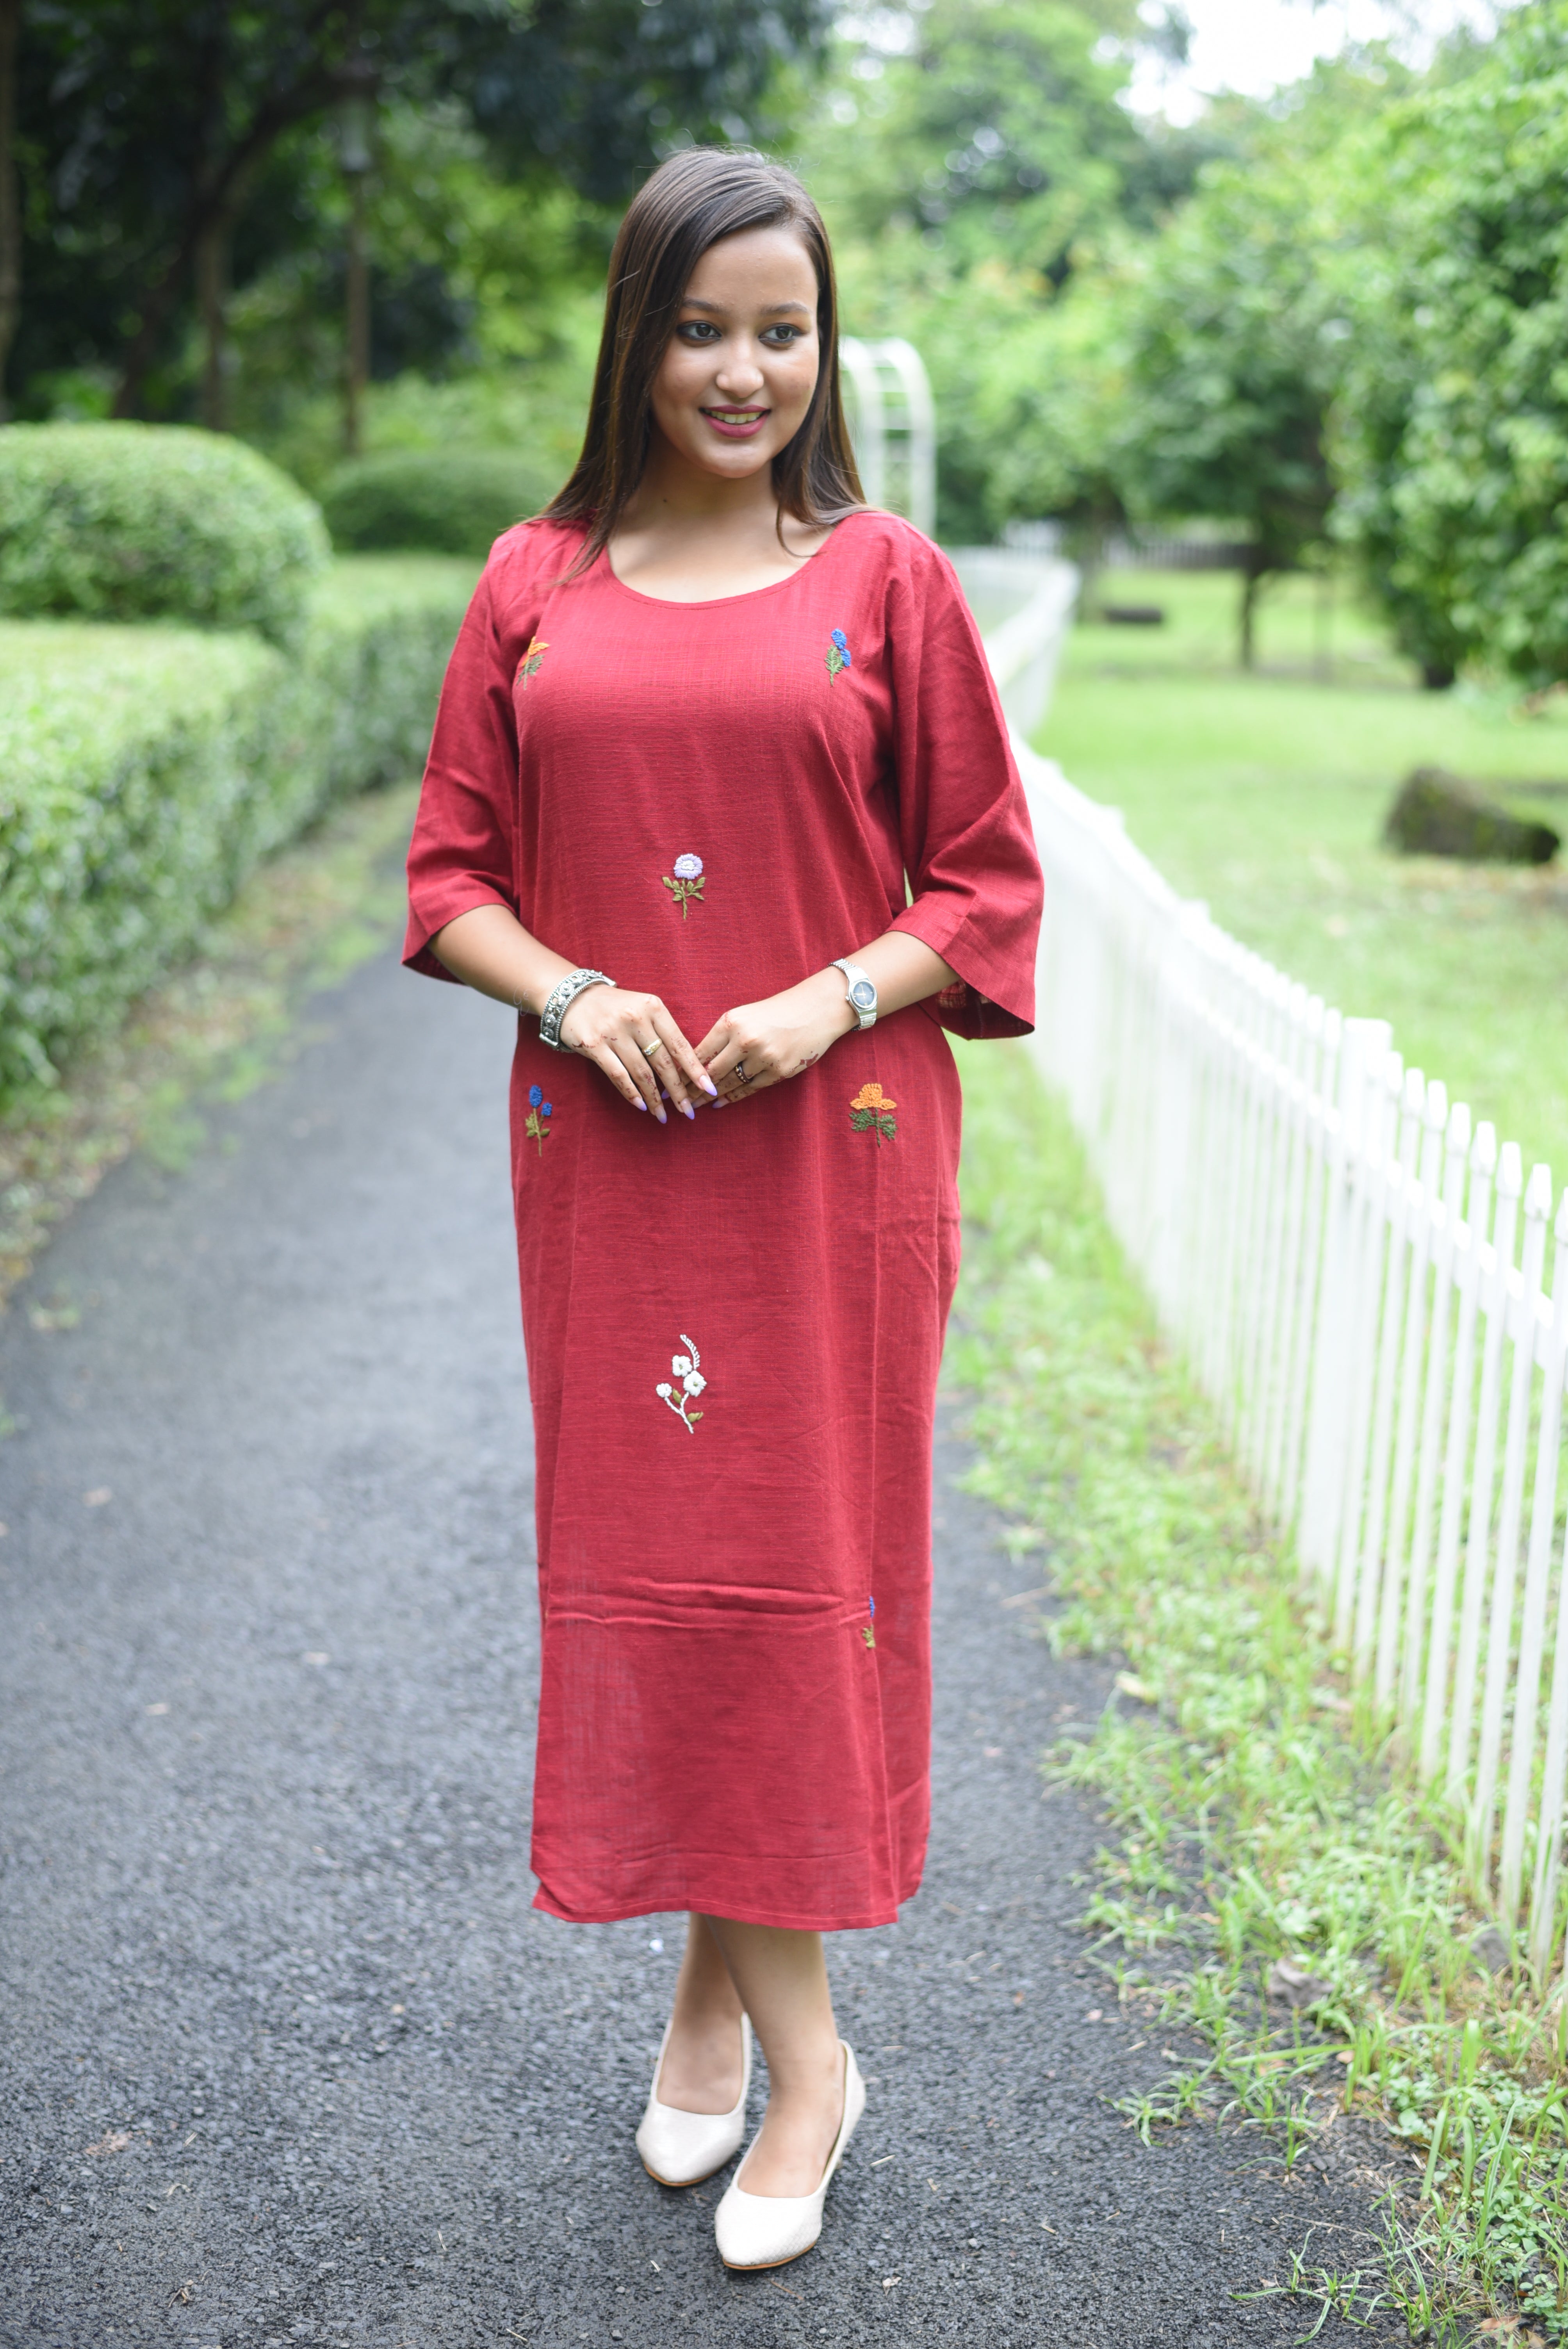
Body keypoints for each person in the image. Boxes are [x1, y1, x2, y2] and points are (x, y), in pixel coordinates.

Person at [403, 145, 1042, 2272]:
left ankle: (813, 2061)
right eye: (704, 327)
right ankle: (722, 2008)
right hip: (608, 1159)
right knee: (659, 1575)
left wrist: (816, 996)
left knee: (787, 1579)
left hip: (827, 1162)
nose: (746, 369)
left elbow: (986, 892)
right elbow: (449, 878)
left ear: (823, 345)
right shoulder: (533, 580)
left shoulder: (889, 583)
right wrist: (579, 993)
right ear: (638, 337)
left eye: (785, 329)